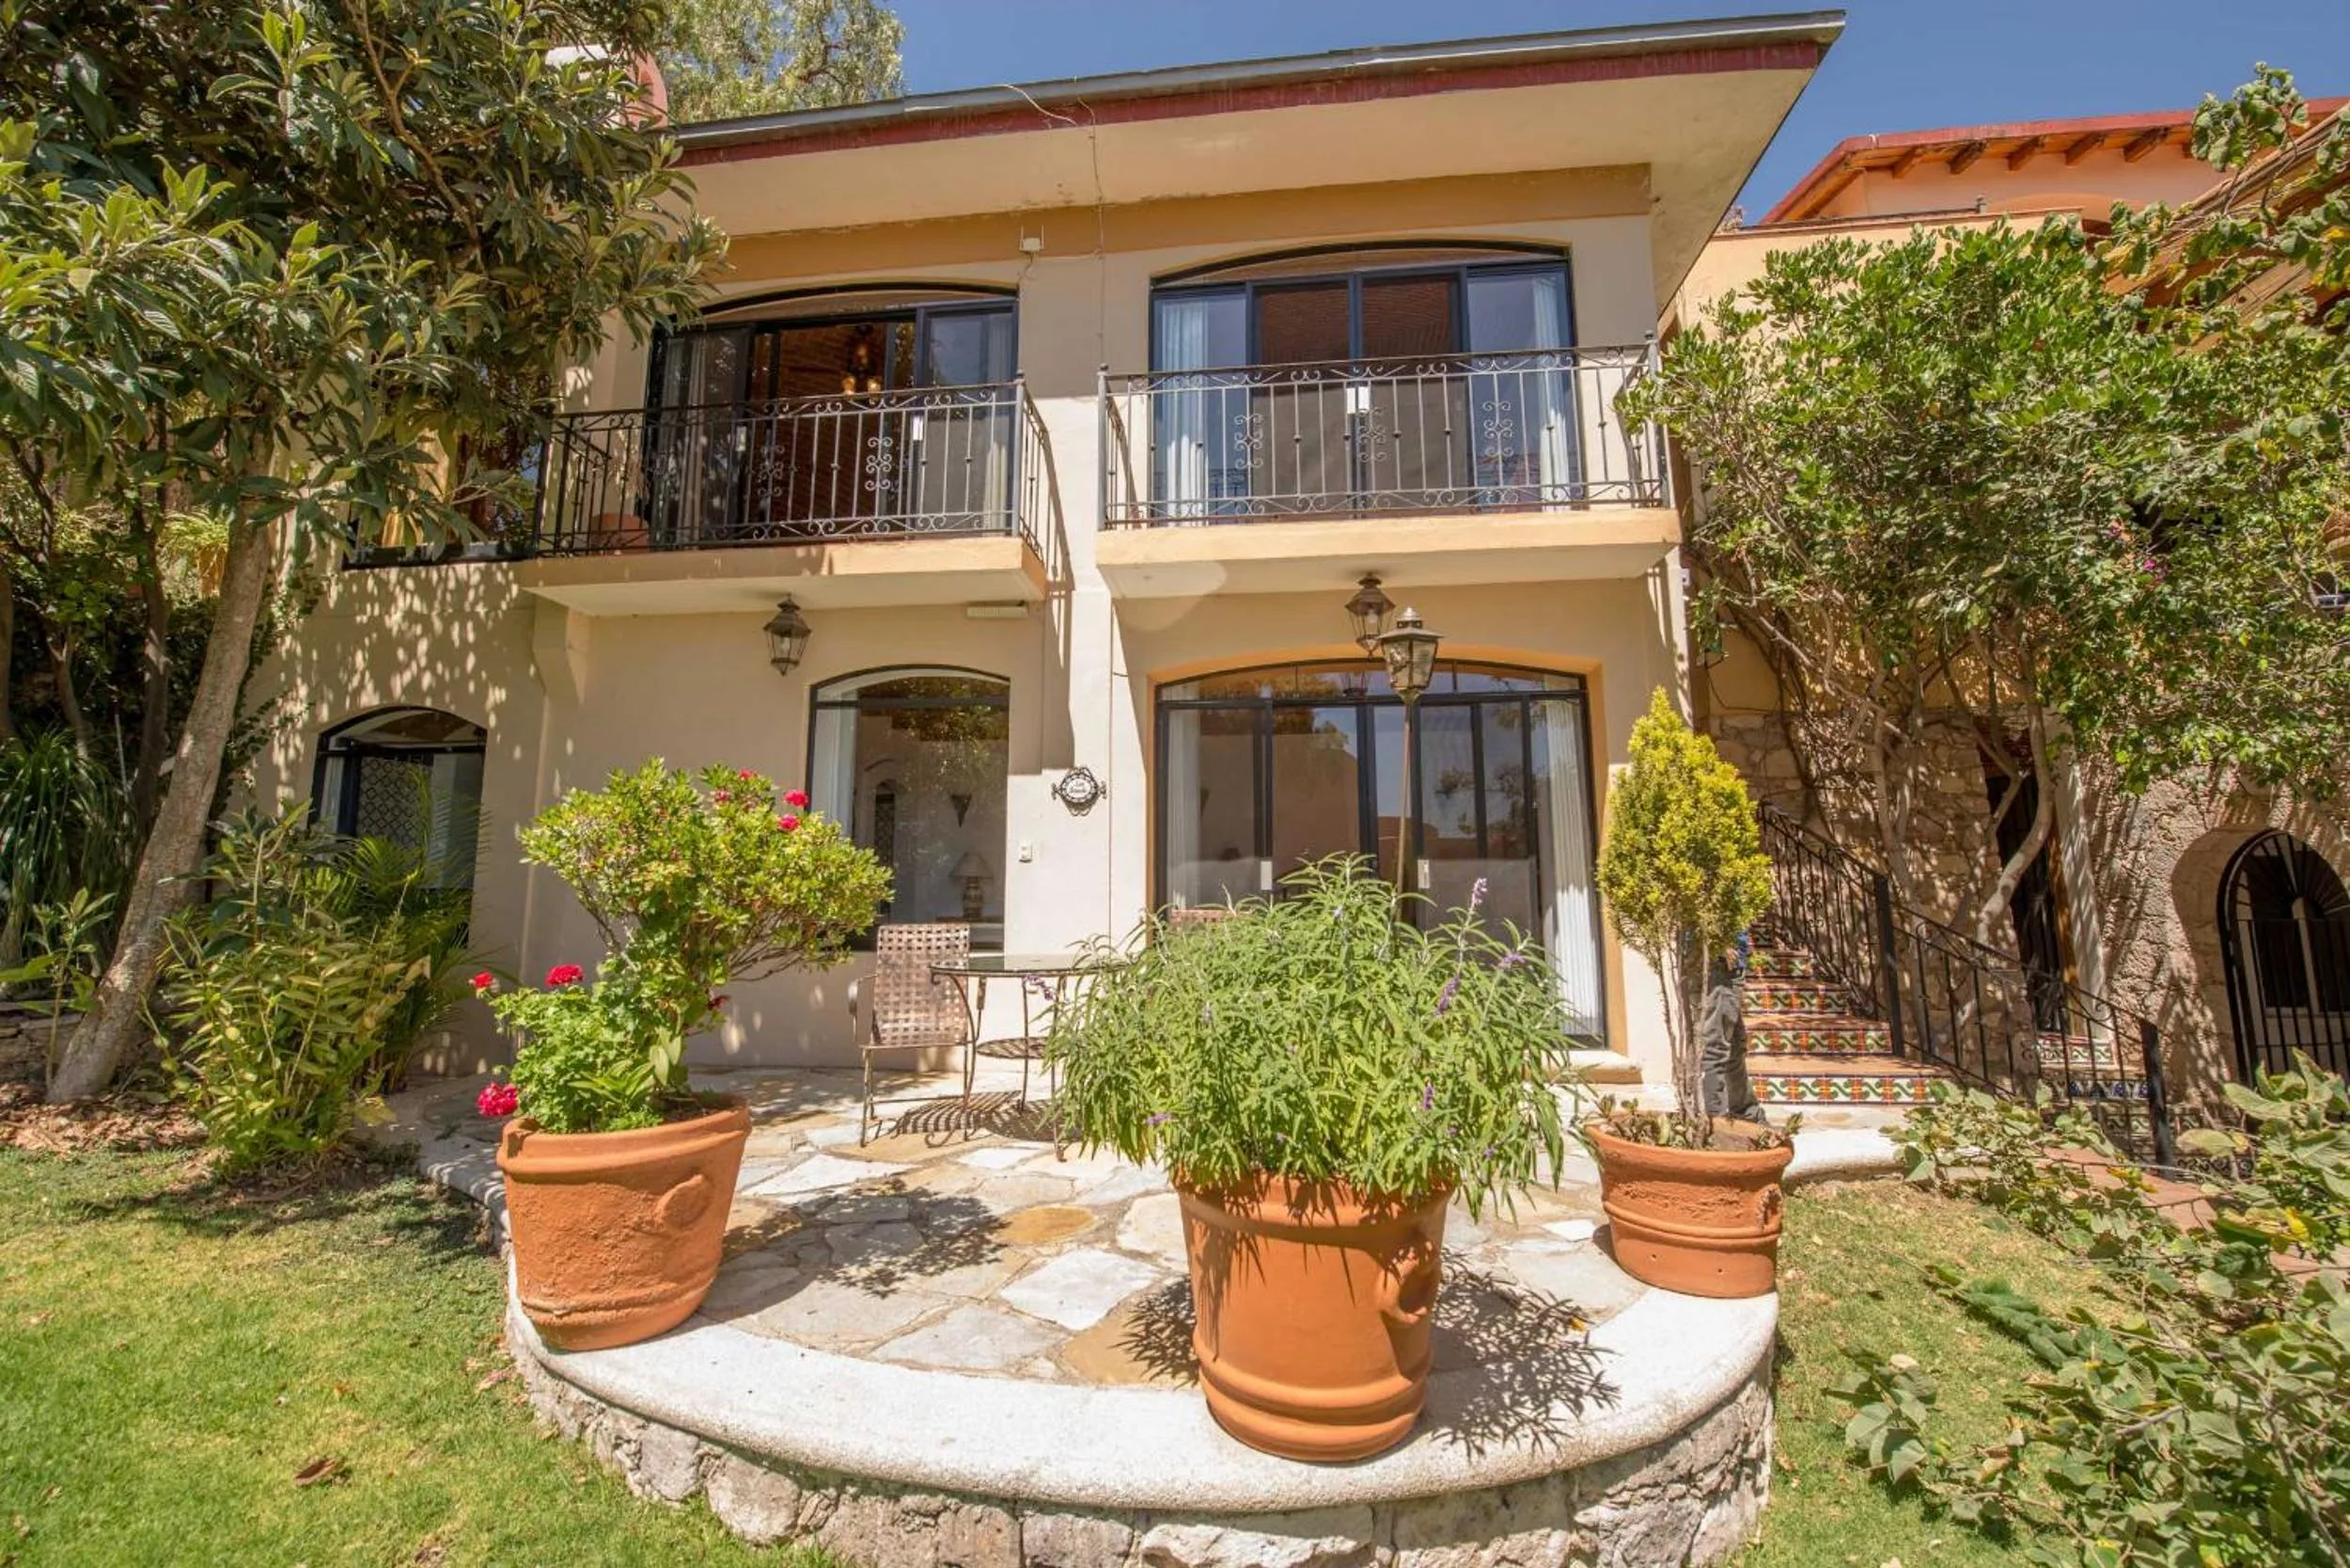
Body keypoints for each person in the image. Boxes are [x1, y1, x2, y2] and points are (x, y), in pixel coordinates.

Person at [1700, 928, 1765, 1125]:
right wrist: (1721, 944)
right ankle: (1718, 1125)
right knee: (1716, 1047)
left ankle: (1748, 1115)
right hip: (1720, 966)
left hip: (1729, 967)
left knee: (1735, 1046)